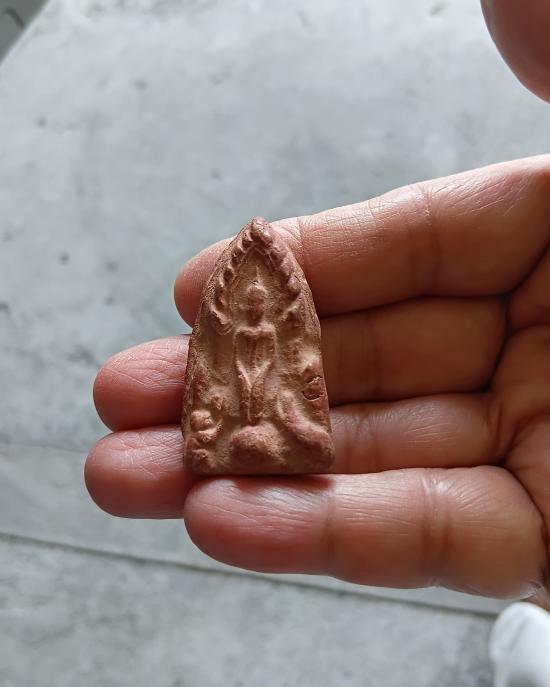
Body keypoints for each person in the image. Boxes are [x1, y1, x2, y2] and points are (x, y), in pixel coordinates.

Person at [86, 2, 550, 684]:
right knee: (239, 405)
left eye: (259, 305)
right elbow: (231, 368)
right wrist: (243, 376)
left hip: (273, 393)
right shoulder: (242, 331)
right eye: (247, 304)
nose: (254, 309)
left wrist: (276, 382)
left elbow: (292, 365)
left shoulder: (274, 331)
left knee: (279, 413)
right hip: (241, 392)